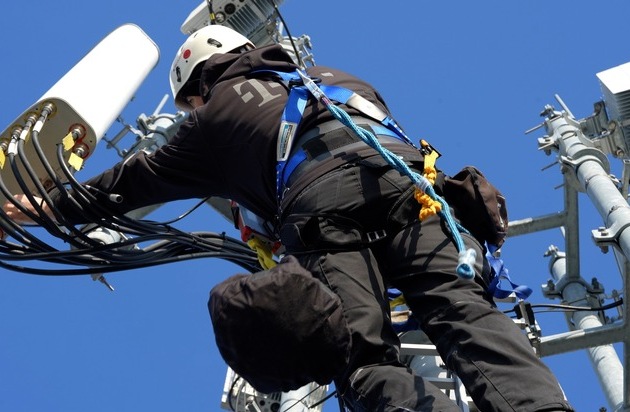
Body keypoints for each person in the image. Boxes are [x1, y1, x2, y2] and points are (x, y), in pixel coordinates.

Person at [5, 24, 574, 411]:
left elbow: (129, 185)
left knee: (359, 357)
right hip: (413, 194)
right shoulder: (340, 79)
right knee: (466, 315)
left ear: (199, 85)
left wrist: (43, 205)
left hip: (323, 214)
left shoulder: (213, 119)